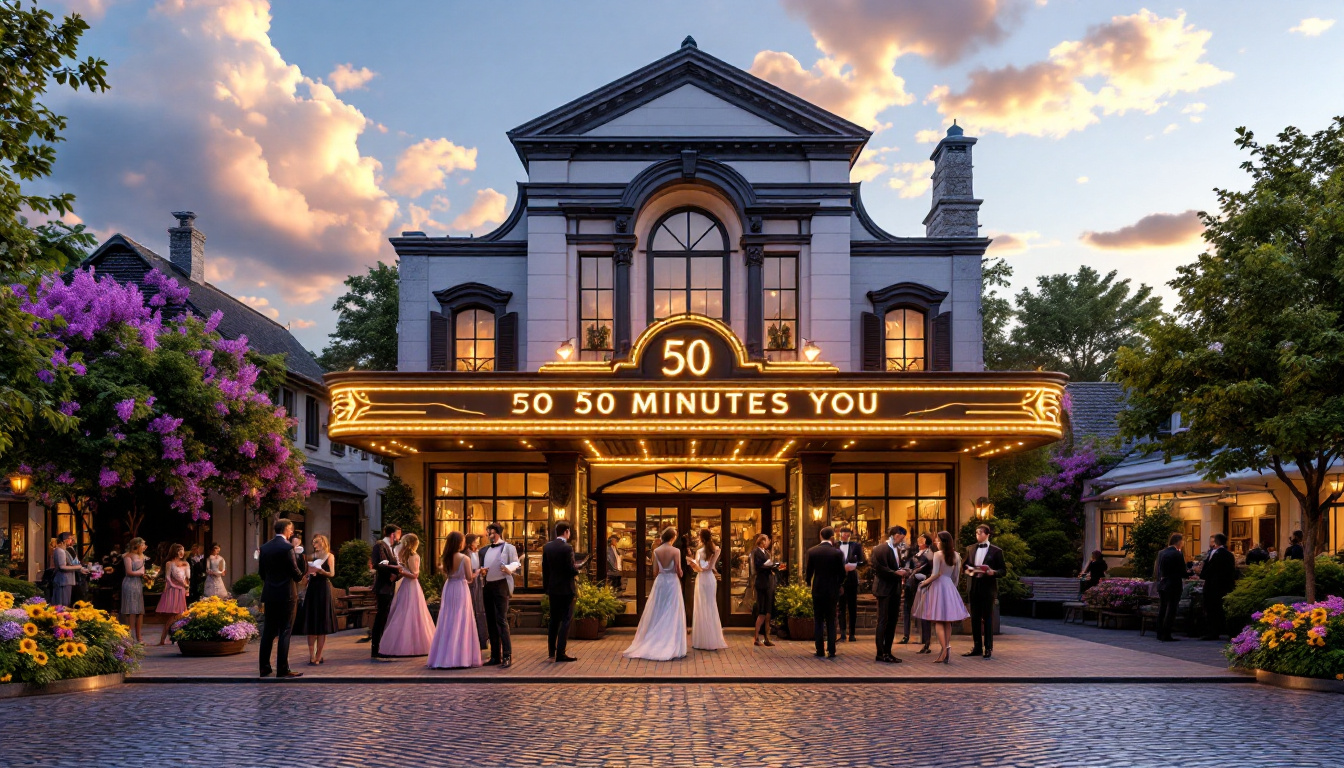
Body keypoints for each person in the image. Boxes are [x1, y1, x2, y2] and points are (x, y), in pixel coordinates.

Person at [622, 526, 688, 661]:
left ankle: (655, 638)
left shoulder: (656, 551)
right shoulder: (675, 551)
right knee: (672, 610)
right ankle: (671, 641)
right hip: (672, 582)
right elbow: (679, 570)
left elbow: (655, 571)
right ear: (673, 538)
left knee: (658, 609)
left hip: (660, 582)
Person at [428, 531, 482, 669]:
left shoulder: (446, 558)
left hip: (449, 587)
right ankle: (460, 657)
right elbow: (469, 578)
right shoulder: (465, 558)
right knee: (461, 619)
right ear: (460, 543)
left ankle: (444, 655)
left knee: (447, 618)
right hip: (460, 588)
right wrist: (478, 572)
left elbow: (446, 573)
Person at [913, 531, 969, 664]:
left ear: (943, 542)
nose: (936, 543)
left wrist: (924, 583)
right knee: (947, 621)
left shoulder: (938, 555)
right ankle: (946, 647)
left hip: (938, 587)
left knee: (938, 620)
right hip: (949, 586)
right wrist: (952, 589)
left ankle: (944, 649)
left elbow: (935, 574)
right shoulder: (956, 555)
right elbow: (956, 577)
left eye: (937, 540)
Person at [258, 519, 305, 678]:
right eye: (291, 529)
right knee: (285, 630)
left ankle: (264, 667)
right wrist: (301, 563)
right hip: (287, 594)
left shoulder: (265, 547)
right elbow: (296, 573)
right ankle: (282, 668)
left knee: (268, 631)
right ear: (286, 529)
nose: (292, 532)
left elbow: (261, 573)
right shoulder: (288, 548)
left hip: (270, 593)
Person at [380, 533, 436, 657]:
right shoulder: (409, 555)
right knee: (404, 611)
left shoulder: (411, 556)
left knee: (410, 611)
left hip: (410, 586)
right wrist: (392, 567)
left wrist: (401, 572)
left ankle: (411, 644)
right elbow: (411, 573)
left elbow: (413, 575)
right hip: (408, 585)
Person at [480, 522, 522, 667]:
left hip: (501, 585)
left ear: (498, 533)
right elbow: (480, 566)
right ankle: (495, 656)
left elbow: (516, 563)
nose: (489, 535)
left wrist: (508, 567)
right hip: (488, 586)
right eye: (488, 533)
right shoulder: (484, 550)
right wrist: (482, 571)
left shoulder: (508, 547)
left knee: (501, 619)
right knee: (490, 620)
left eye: (491, 532)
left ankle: (507, 655)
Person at [962, 524, 1006, 660]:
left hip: (987, 588)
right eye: (976, 533)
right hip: (974, 586)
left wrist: (993, 572)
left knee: (987, 618)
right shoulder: (970, 548)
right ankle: (977, 647)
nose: (977, 535)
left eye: (980, 533)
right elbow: (964, 566)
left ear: (987, 534)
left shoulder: (996, 551)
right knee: (974, 618)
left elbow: (1003, 571)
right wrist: (969, 571)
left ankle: (988, 647)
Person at [542, 521, 585, 662]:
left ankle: (551, 653)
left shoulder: (547, 547)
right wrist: (578, 569)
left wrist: (547, 588)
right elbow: (570, 569)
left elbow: (545, 569)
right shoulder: (567, 548)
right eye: (569, 531)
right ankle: (561, 652)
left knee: (554, 620)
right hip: (566, 589)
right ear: (566, 531)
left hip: (553, 588)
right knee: (566, 620)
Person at [869, 525, 909, 663]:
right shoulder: (881, 549)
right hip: (884, 589)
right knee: (883, 620)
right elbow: (879, 568)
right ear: (896, 535)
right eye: (902, 538)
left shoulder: (896, 549)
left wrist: (903, 570)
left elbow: (894, 566)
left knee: (892, 620)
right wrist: (896, 573)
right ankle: (881, 653)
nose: (902, 541)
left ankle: (888, 651)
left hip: (894, 589)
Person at [805, 526, 845, 659]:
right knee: (831, 620)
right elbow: (842, 573)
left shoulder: (812, 551)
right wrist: (839, 584)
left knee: (818, 620)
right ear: (832, 537)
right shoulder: (837, 553)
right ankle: (832, 650)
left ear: (820, 536)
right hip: (832, 589)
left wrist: (808, 583)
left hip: (818, 588)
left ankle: (820, 649)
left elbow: (809, 572)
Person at [688, 528, 727, 651]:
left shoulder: (700, 551)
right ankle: (712, 639)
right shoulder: (716, 550)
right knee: (710, 606)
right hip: (710, 579)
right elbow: (711, 567)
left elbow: (699, 568)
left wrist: (692, 563)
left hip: (702, 578)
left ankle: (702, 640)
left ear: (701, 538)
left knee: (701, 606)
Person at [301, 534, 337, 665]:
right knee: (311, 623)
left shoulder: (329, 556)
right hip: (312, 588)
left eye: (316, 543)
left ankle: (318, 655)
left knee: (322, 623)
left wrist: (321, 571)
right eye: (313, 543)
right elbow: (304, 577)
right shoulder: (311, 556)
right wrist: (308, 574)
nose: (314, 545)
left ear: (323, 543)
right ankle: (311, 655)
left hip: (323, 588)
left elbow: (332, 574)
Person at [370, 524, 403, 660]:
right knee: (381, 616)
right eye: (398, 534)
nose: (399, 537)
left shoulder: (390, 548)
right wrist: (392, 574)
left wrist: (397, 574)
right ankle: (376, 648)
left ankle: (382, 646)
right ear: (392, 534)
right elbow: (379, 564)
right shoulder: (380, 546)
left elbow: (395, 566)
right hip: (383, 586)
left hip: (389, 586)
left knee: (385, 616)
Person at [1200, 533, 1237, 641]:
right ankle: (1224, 630)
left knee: (1212, 609)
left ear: (1215, 542)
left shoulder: (1216, 554)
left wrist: (1202, 574)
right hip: (1225, 586)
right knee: (1221, 609)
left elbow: (1210, 569)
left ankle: (1213, 632)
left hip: (1213, 586)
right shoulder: (1229, 554)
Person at [901, 533, 934, 652]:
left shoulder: (929, 554)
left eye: (922, 539)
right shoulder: (914, 554)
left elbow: (930, 569)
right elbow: (909, 565)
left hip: (921, 584)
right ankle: (906, 635)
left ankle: (925, 639)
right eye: (919, 539)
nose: (919, 541)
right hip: (910, 584)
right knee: (907, 609)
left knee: (923, 611)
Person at [750, 533, 784, 647]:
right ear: (762, 541)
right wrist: (770, 566)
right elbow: (758, 566)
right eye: (767, 540)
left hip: (769, 583)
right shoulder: (756, 552)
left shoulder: (767, 552)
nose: (768, 542)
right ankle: (756, 637)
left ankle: (766, 637)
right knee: (762, 611)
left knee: (768, 611)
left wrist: (777, 566)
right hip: (762, 583)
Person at [834, 526, 867, 643]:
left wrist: (855, 565)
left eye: (848, 534)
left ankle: (852, 633)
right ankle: (842, 633)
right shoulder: (835, 545)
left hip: (852, 579)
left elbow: (863, 561)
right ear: (840, 534)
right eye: (844, 533)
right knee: (841, 607)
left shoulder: (856, 546)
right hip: (839, 580)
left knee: (852, 607)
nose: (846, 535)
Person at [1155, 532, 1187, 643]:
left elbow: (1158, 569)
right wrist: (1190, 572)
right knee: (1171, 609)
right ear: (1179, 542)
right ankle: (1167, 634)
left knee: (1163, 608)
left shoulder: (1162, 553)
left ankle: (1159, 632)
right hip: (1173, 584)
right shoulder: (1177, 554)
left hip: (1163, 583)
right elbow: (1182, 572)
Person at [156, 544, 190, 646]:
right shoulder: (169, 563)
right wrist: (176, 585)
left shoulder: (185, 563)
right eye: (179, 550)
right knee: (174, 615)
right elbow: (168, 578)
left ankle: (174, 637)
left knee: (180, 614)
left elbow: (187, 578)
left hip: (181, 590)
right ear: (175, 551)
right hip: (173, 590)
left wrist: (186, 588)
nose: (182, 552)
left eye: (183, 550)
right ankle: (163, 639)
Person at [465, 533, 489, 652]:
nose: (478, 543)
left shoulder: (478, 553)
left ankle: (482, 639)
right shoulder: (466, 555)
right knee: (472, 608)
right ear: (470, 543)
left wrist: (482, 571)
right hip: (470, 583)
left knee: (480, 609)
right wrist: (478, 571)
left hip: (479, 583)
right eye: (476, 541)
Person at [120, 537, 147, 642]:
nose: (144, 547)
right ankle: (130, 637)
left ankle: (139, 637)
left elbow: (143, 570)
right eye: (143, 545)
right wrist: (140, 573)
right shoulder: (128, 556)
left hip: (138, 583)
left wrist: (147, 576)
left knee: (139, 610)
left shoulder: (142, 556)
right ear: (137, 545)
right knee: (131, 610)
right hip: (130, 583)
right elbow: (129, 572)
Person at [50, 532, 86, 607]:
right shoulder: (60, 551)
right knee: (63, 604)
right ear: (65, 540)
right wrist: (78, 567)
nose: (72, 541)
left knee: (66, 603)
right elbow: (62, 567)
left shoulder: (65, 550)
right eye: (70, 539)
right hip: (63, 580)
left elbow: (71, 563)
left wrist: (81, 569)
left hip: (67, 580)